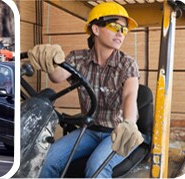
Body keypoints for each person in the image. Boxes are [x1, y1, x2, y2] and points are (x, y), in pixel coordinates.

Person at [28, 2, 143, 178]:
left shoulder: (127, 64)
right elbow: (57, 76)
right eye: (114, 26)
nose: (121, 33)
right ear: (96, 29)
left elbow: (130, 94)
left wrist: (129, 122)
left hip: (119, 133)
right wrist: (50, 60)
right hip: (89, 130)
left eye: (124, 29)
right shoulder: (78, 59)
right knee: (47, 159)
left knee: (96, 167)